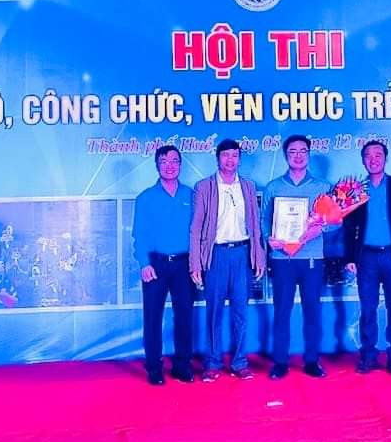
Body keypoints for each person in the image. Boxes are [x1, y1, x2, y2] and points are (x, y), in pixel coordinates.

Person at [190, 139, 266, 382]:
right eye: (225, 155)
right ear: (217, 158)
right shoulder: (204, 187)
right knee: (214, 312)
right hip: (216, 255)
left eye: (235, 155)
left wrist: (259, 256)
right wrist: (195, 263)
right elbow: (195, 228)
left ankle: (240, 362)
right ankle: (212, 363)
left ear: (239, 159)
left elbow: (256, 225)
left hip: (242, 253)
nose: (230, 160)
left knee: (241, 312)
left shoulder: (248, 186)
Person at [261, 134, 336, 380]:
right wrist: (268, 238)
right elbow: (264, 220)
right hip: (282, 259)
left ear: (309, 154)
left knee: (312, 311)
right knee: (281, 311)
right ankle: (280, 362)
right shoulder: (274, 187)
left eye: (303, 151)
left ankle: (312, 361)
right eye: (292, 151)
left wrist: (320, 229)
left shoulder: (323, 187)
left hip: (312, 258)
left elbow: (336, 222)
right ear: (286, 155)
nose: (298, 155)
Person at [343, 140, 391, 375]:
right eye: (368, 155)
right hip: (366, 256)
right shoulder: (356, 190)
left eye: (378, 155)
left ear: (386, 158)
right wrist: (350, 257)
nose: (373, 159)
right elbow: (348, 226)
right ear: (362, 160)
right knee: (368, 309)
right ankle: (368, 356)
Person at [133, 145, 195, 386]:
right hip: (155, 264)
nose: (170, 166)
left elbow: (199, 231)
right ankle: (154, 367)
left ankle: (182, 366)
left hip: (184, 265)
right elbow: (139, 234)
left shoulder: (191, 196)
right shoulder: (145, 198)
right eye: (164, 161)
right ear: (157, 165)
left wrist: (197, 263)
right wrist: (144, 263)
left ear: (180, 165)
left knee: (184, 316)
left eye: (174, 161)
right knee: (152, 317)